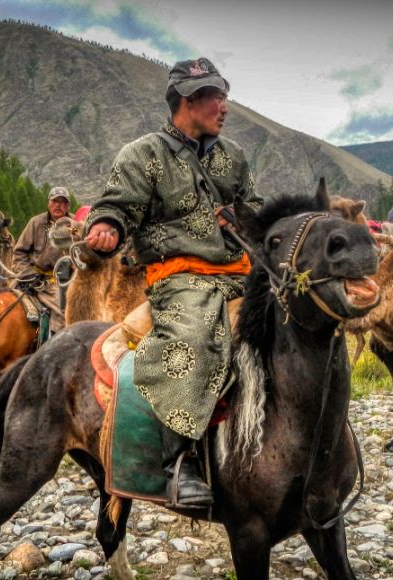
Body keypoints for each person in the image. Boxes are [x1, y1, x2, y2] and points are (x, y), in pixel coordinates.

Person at [83, 57, 263, 509]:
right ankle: (176, 460)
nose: (224, 106)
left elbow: (255, 207)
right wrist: (107, 225)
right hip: (179, 278)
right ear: (187, 100)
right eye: (214, 97)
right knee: (194, 336)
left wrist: (246, 218)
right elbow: (118, 206)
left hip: (239, 272)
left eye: (224, 95)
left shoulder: (233, 157)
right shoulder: (142, 155)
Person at [12, 185, 77, 332]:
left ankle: (57, 347)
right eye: (55, 201)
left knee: (62, 316)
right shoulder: (36, 223)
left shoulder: (76, 224)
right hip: (35, 278)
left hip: (66, 281)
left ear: (68, 205)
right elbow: (19, 253)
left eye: (62, 202)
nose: (58, 205)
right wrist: (27, 273)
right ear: (49, 203)